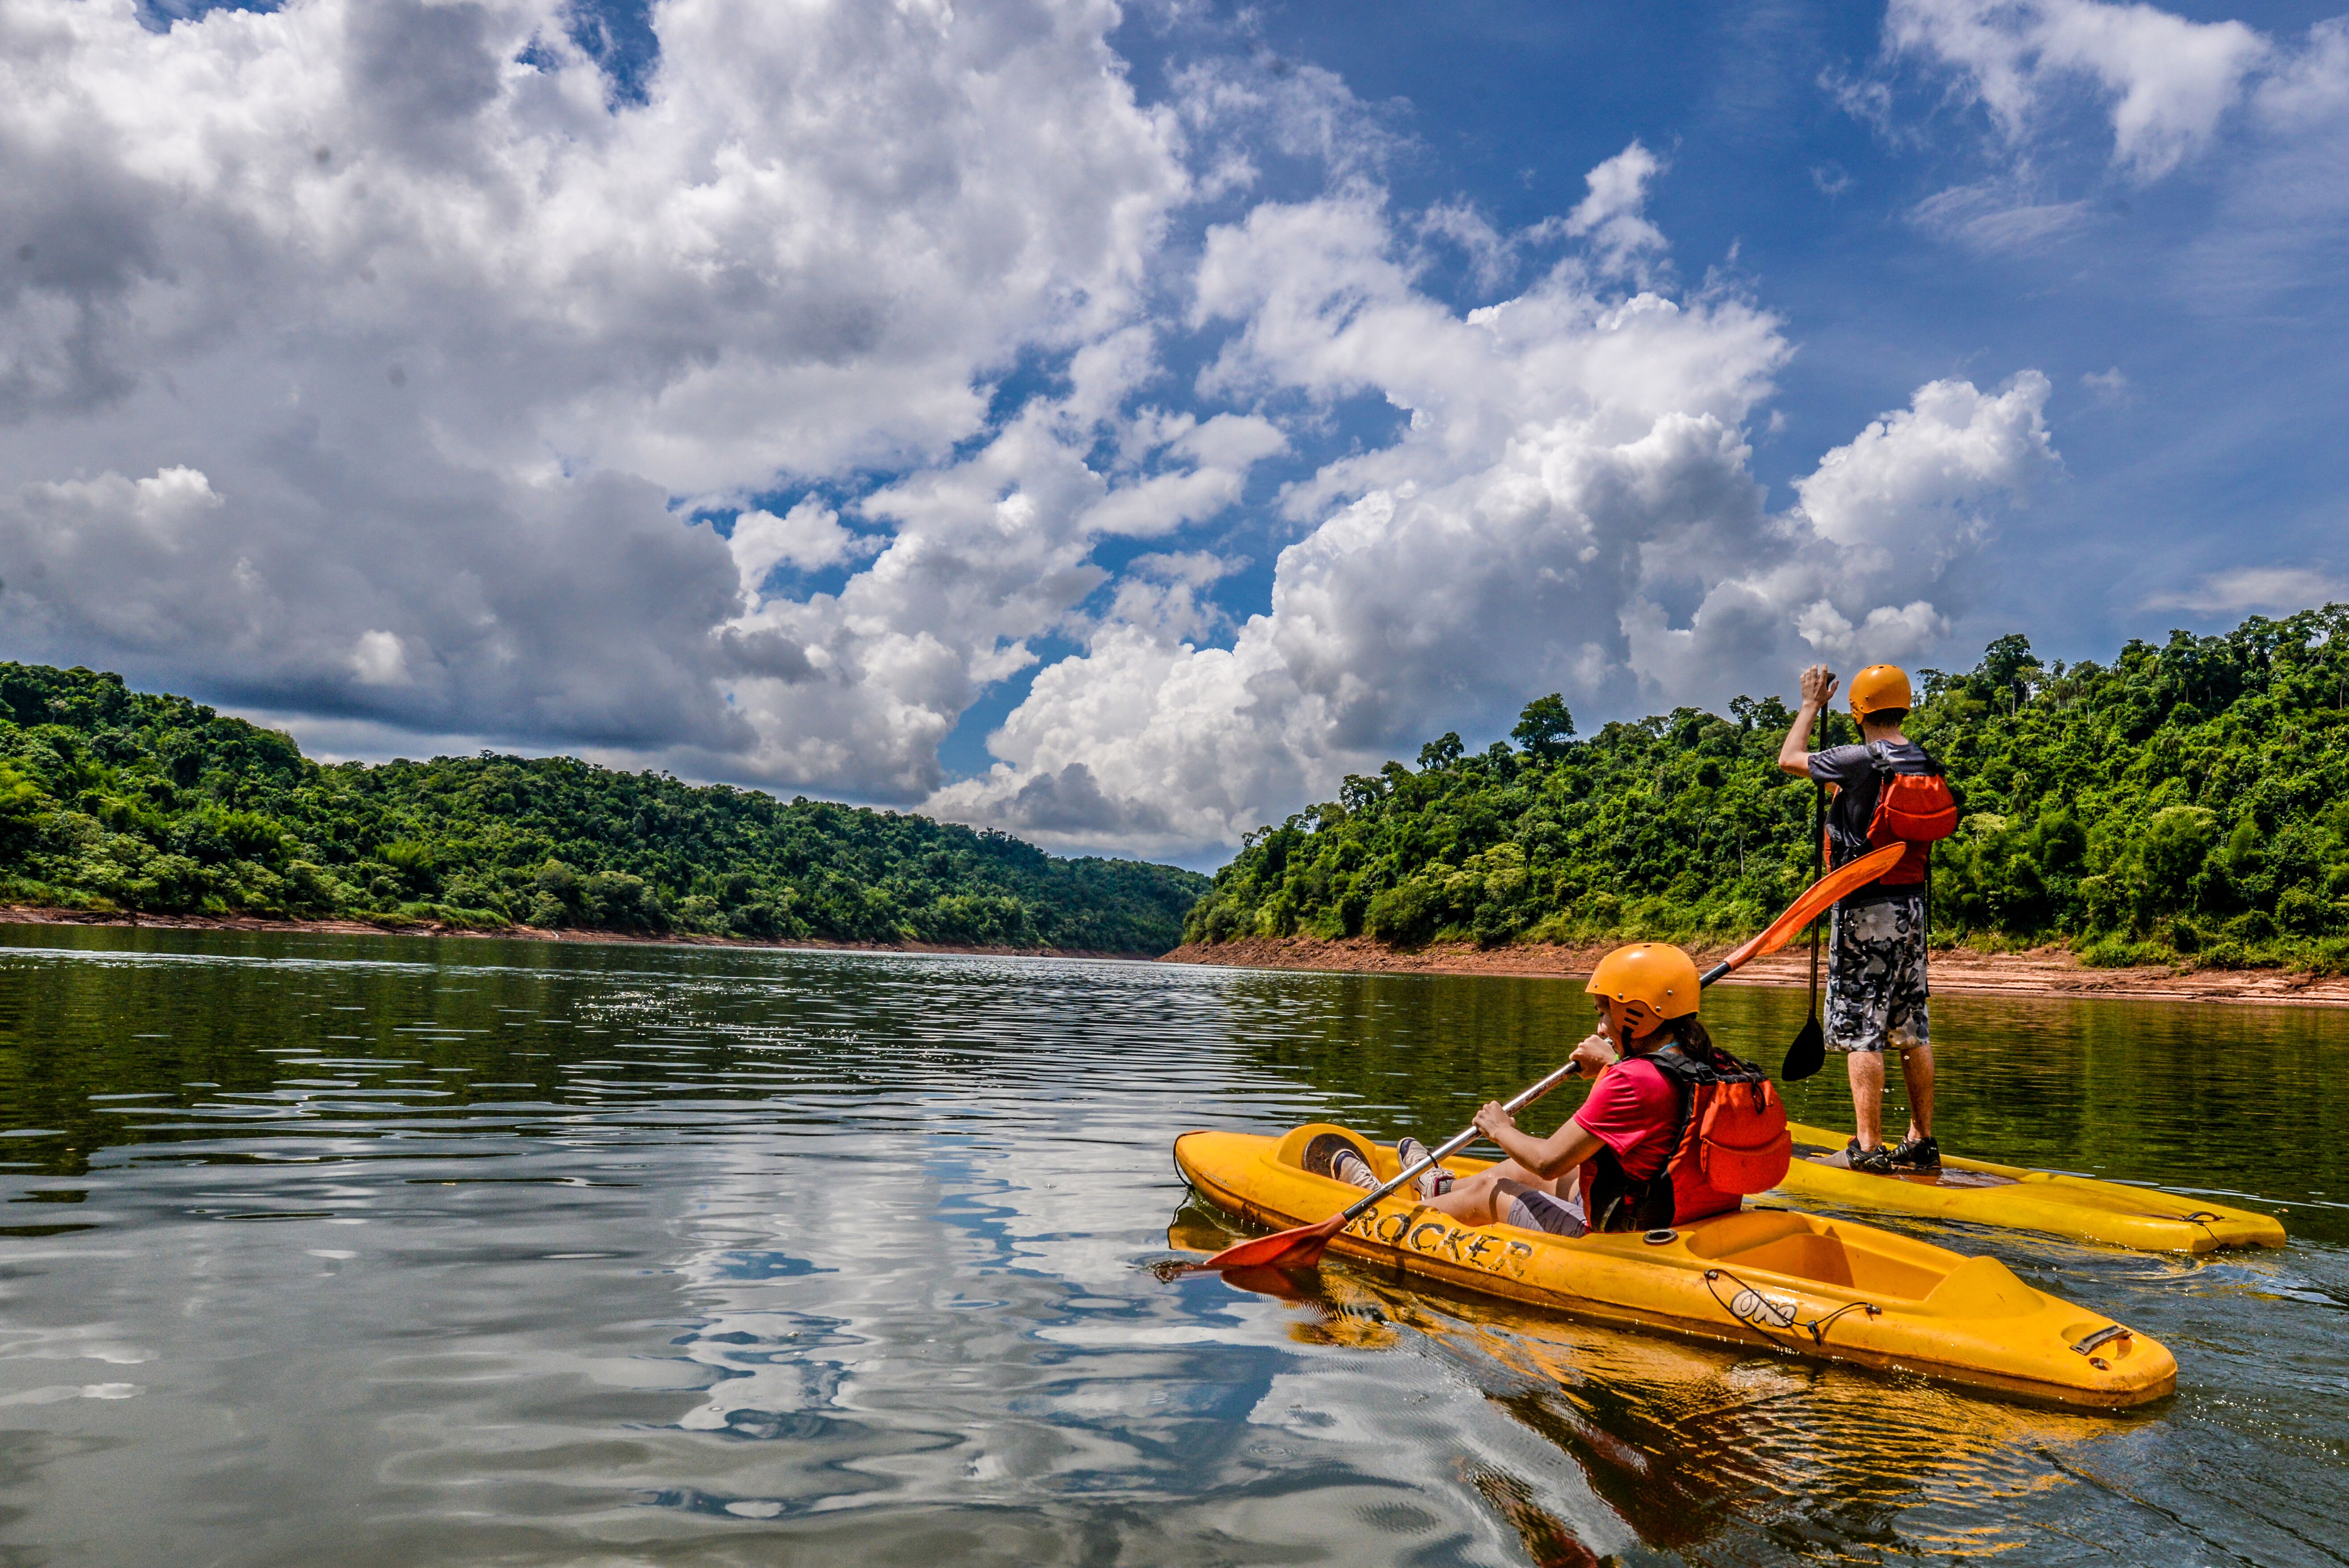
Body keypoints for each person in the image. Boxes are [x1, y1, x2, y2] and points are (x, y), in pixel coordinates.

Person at [1325, 943, 1748, 1234]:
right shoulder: (1711, 1062)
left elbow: (1547, 1160)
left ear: (1637, 1014)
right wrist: (1612, 1063)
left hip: (1623, 1235)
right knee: (1518, 1170)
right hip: (1678, 1215)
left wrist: (1500, 1127)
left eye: (1606, 1013)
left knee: (1493, 1190)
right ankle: (1436, 1187)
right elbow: (1657, 1104)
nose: (1600, 1026)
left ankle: (1384, 1212)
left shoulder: (1630, 1080)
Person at [1776, 662, 1945, 1173]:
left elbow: (1788, 759)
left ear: (1856, 712)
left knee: (1861, 1026)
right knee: (1911, 1026)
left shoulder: (1858, 758)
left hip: (1863, 908)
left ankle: (1868, 1147)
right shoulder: (1921, 759)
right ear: (1904, 705)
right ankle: (1920, 1139)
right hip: (1913, 908)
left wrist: (1809, 704)